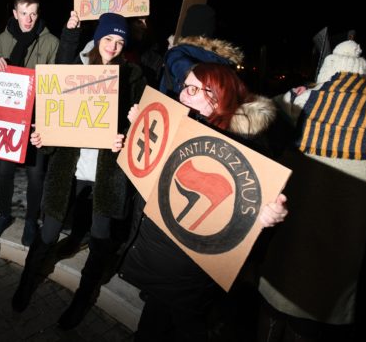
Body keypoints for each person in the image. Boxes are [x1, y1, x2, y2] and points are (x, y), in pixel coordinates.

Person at [118, 62, 289, 341]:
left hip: (192, 272)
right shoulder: (182, 123)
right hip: (160, 258)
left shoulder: (248, 149)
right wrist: (141, 130)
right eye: (185, 86)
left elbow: (246, 223)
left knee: (187, 325)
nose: (183, 95)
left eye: (194, 89)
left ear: (219, 96)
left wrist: (267, 219)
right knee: (152, 323)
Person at [12, 12, 146, 331]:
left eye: (120, 41)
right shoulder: (76, 69)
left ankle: (82, 298)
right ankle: (26, 282)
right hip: (68, 168)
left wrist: (128, 131)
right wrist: (44, 137)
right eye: (108, 38)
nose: (113, 46)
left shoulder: (132, 76)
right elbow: (53, 114)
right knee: (48, 230)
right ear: (98, 37)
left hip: (105, 173)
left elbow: (140, 130)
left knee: (100, 238)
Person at [257, 39, 366, 341]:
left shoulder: (303, 98)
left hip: (296, 210)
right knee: (321, 299)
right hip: (348, 224)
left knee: (281, 288)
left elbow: (261, 119)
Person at [0, 0, 59, 245]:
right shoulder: (4, 38)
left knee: (35, 175)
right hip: (8, 119)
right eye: (24, 13)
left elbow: (56, 85)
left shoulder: (50, 42)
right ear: (15, 13)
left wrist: (46, 118)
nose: (28, 19)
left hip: (36, 120)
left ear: (38, 15)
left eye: (33, 14)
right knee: (4, 172)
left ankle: (30, 220)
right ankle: (4, 214)